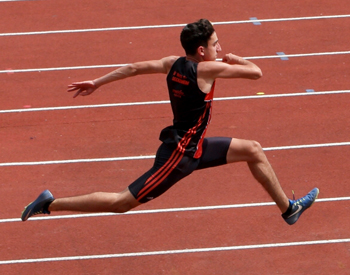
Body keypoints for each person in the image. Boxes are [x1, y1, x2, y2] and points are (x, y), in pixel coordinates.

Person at [21, 19, 318, 225]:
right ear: (201, 50)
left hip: (193, 145)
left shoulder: (172, 64)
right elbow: (257, 73)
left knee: (253, 149)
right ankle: (50, 204)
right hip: (180, 156)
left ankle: (289, 209)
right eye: (216, 43)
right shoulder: (207, 70)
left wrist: (97, 82)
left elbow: (134, 67)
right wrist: (236, 60)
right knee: (121, 203)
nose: (220, 47)